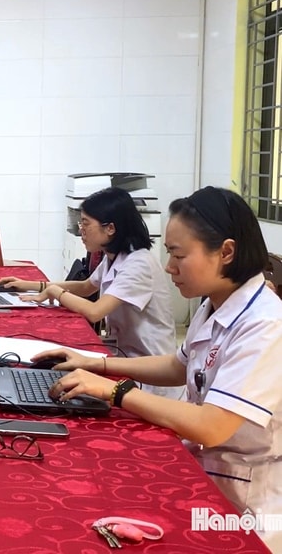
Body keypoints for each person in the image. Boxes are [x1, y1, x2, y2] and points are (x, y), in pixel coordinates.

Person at [33, 186, 282, 551]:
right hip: (206, 468)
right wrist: (96, 363)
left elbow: (212, 426)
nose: (169, 267)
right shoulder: (216, 304)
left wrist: (117, 391)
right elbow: (177, 365)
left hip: (244, 502)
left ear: (226, 252)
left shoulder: (266, 325)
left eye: (179, 255)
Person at [0, 187, 177, 396]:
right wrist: (29, 284)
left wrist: (56, 292)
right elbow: (86, 287)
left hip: (148, 370)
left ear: (110, 228)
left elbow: (95, 312)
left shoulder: (139, 264)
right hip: (123, 356)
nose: (81, 230)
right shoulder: (115, 256)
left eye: (86, 223)